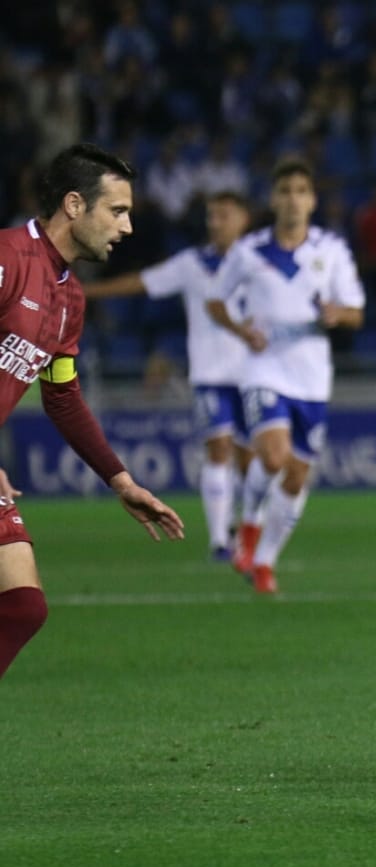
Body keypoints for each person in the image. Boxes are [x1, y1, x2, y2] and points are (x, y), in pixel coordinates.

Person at [0, 143, 186, 681]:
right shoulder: (8, 258)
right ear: (75, 205)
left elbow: (61, 396)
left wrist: (120, 481)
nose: (127, 227)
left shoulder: (69, 300)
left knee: (23, 607)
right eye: (118, 210)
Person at [206, 159, 365, 595]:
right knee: (273, 457)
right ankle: (248, 526)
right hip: (264, 368)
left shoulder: (331, 250)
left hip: (312, 375)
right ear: (273, 199)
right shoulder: (249, 251)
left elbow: (356, 312)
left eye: (301, 191)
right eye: (285, 190)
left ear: (312, 201)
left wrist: (337, 314)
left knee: (296, 477)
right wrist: (241, 330)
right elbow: (215, 301)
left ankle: (265, 561)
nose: (293, 199)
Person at [82, 191, 255, 562]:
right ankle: (220, 542)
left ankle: (244, 530)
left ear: (244, 219)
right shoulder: (193, 263)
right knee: (218, 449)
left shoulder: (260, 261)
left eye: (224, 215)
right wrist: (88, 292)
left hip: (255, 375)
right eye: (212, 215)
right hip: (211, 373)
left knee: (249, 459)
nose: (215, 222)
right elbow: (143, 282)